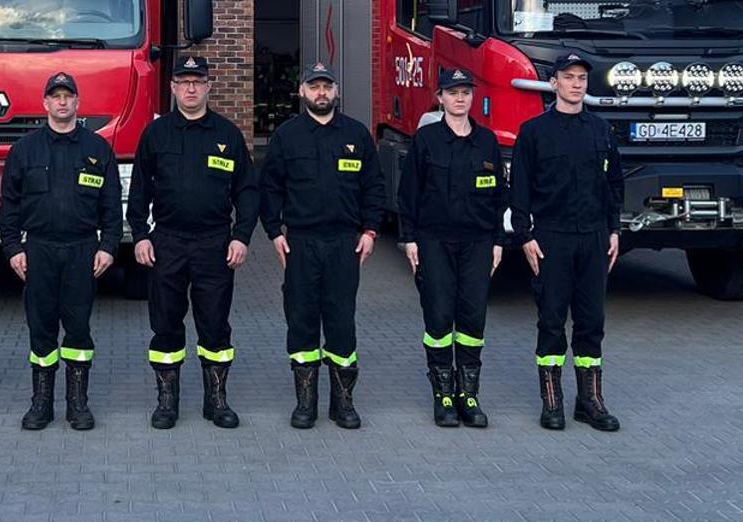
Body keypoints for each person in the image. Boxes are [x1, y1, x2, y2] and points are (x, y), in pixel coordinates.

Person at [128, 56, 257, 430]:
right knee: (166, 324)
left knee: (215, 325)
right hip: (167, 242)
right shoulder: (157, 135)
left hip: (214, 245)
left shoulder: (227, 135)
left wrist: (242, 237)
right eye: (183, 81)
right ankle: (167, 401)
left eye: (197, 82)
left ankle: (216, 400)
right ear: (172, 87)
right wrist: (139, 235)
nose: (190, 88)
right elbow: (139, 190)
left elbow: (247, 192)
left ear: (208, 86)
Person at [259, 62, 385, 430]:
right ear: (302, 92)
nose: (321, 93)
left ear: (336, 92)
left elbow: (374, 187)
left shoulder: (357, 135)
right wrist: (273, 232)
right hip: (300, 243)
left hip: (345, 243)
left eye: (327, 86)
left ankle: (343, 403)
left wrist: (371, 231)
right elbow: (270, 187)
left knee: (341, 320)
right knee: (301, 320)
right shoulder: (287, 135)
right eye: (314, 87)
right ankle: (305, 403)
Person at [0, 72, 121, 431]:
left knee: (79, 329)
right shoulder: (26, 150)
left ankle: (78, 403)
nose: (62, 102)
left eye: (69, 96)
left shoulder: (97, 150)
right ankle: (41, 403)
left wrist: (109, 247)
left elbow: (112, 207)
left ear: (78, 103)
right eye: (56, 96)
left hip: (83, 249)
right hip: (39, 250)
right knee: (41, 329)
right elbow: (10, 206)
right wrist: (12, 248)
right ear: (45, 103)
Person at [510, 52, 624, 432]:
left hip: (593, 237)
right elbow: (520, 189)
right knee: (552, 321)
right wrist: (525, 236)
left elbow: (614, 186)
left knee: (592, 322)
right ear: (554, 83)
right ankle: (552, 402)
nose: (576, 84)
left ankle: (589, 401)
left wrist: (614, 230)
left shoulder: (601, 131)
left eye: (581, 78)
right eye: (569, 77)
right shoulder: (534, 132)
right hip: (551, 238)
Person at [398, 68, 507, 428]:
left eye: (465, 93)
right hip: (434, 241)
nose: (460, 99)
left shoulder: (487, 141)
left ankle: (468, 394)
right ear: (440, 98)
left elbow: (497, 197)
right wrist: (409, 238)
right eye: (452, 93)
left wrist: (497, 241)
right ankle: (443, 394)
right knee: (440, 315)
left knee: (473, 317)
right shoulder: (426, 139)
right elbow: (409, 192)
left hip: (477, 242)